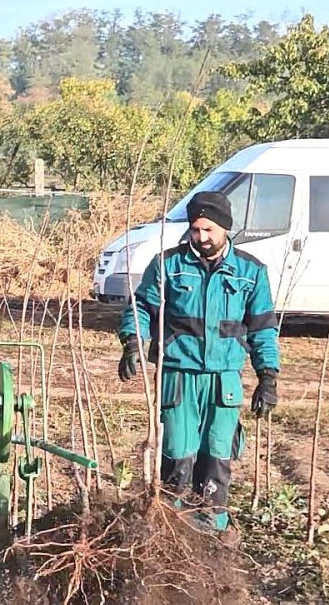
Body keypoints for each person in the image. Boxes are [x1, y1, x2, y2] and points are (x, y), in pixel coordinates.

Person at [117, 191, 280, 541]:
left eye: (208, 229)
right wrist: (133, 341)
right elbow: (141, 307)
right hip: (178, 377)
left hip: (224, 382)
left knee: (217, 455)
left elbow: (264, 328)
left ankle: (211, 531)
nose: (201, 237)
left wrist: (268, 376)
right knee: (177, 453)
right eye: (195, 229)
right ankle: (172, 531)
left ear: (224, 227)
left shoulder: (250, 273)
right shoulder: (168, 265)